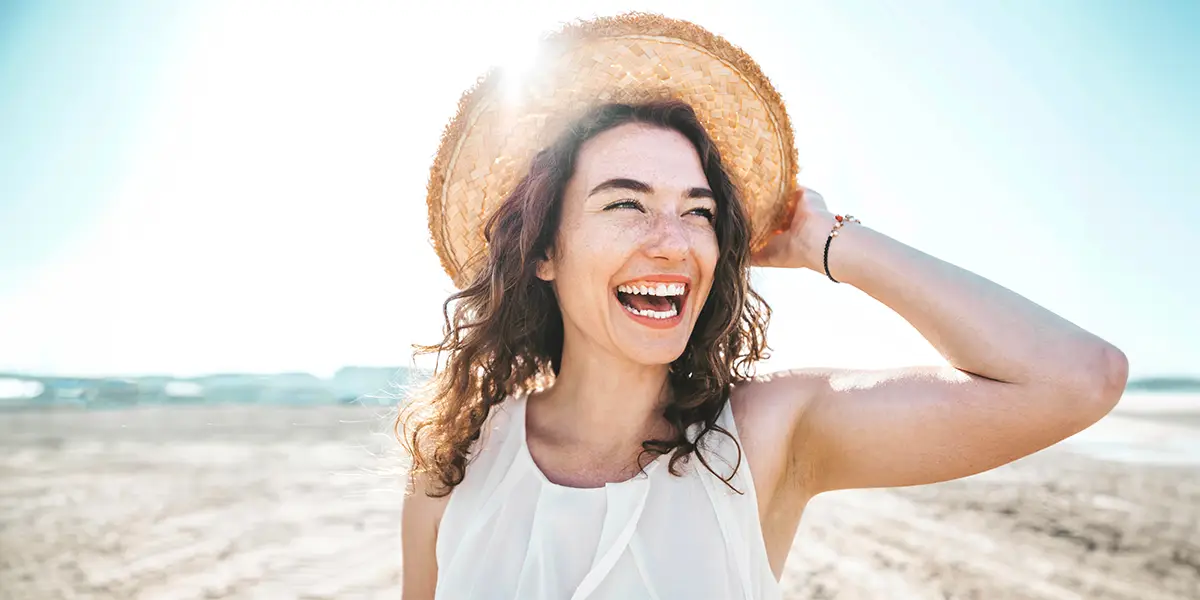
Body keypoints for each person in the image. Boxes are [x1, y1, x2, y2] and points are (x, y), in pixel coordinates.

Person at [398, 13, 1127, 600]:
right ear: (542, 253)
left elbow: (1077, 378)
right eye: (626, 203)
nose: (672, 242)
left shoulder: (765, 437)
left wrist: (826, 242)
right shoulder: (455, 469)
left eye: (700, 212)